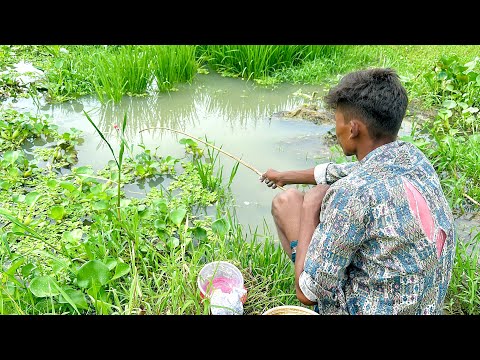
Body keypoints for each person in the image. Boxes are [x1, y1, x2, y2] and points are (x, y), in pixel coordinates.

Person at [259, 67, 456, 315]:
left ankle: (311, 272)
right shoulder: (414, 159)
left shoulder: (352, 194)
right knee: (291, 196)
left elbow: (305, 295)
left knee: (286, 205)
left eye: (337, 122)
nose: (335, 130)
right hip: (426, 305)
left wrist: (310, 207)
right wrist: (285, 176)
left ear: (353, 129)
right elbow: (342, 172)